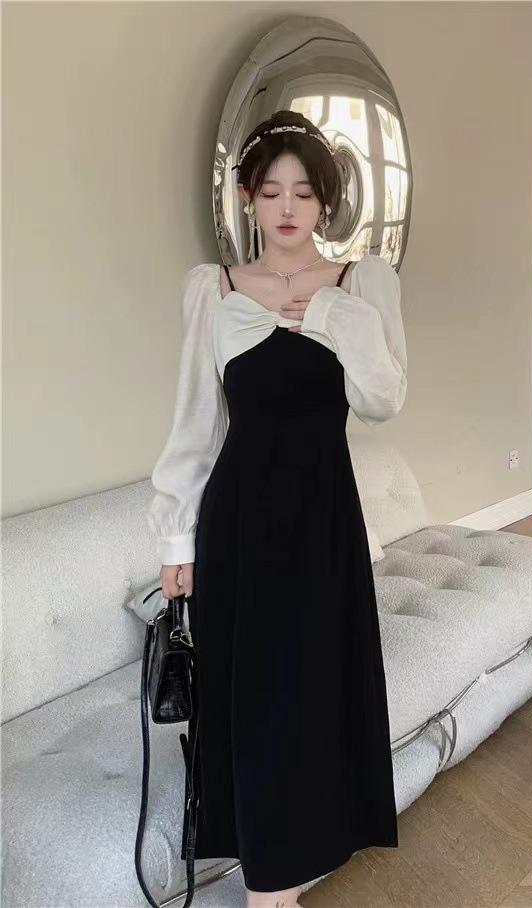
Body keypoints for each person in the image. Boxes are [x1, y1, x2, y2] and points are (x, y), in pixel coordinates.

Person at [147, 110, 406, 908]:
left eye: (302, 191)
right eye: (270, 191)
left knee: (313, 695)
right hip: (239, 524)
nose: (287, 207)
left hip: (324, 521)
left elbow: (384, 398)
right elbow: (195, 422)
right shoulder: (214, 290)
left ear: (324, 201)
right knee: (253, 699)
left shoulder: (362, 283)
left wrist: (328, 316)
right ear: (247, 199)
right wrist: (176, 539)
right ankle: (271, 890)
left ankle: (295, 861)